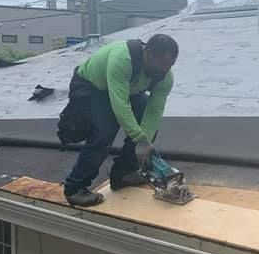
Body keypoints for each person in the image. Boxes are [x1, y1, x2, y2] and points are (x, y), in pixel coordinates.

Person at [58, 34, 178, 207]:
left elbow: (154, 111)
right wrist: (139, 138)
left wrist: (144, 143)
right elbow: (120, 105)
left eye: (170, 66)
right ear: (149, 53)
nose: (164, 70)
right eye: (161, 65)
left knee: (145, 128)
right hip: (93, 86)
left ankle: (124, 172)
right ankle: (75, 188)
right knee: (104, 132)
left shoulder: (165, 77)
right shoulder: (123, 59)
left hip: (126, 89)